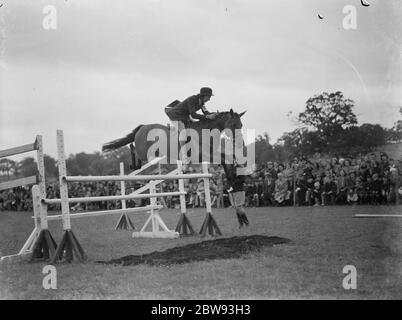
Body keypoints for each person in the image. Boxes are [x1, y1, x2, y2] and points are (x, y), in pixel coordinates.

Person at [164, 87, 217, 164]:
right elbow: (194, 115)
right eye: (209, 97)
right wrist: (207, 117)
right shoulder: (192, 100)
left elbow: (206, 112)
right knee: (184, 133)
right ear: (204, 96)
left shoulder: (201, 103)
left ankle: (172, 128)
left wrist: (214, 114)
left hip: (184, 116)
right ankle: (184, 158)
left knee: (192, 127)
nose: (209, 99)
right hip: (175, 115)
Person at [224, 163, 250, 229]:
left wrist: (234, 181)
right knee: (236, 208)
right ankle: (241, 224)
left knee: (238, 207)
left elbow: (243, 179)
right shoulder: (228, 168)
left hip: (239, 189)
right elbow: (228, 179)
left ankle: (246, 222)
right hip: (232, 190)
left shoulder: (239, 167)